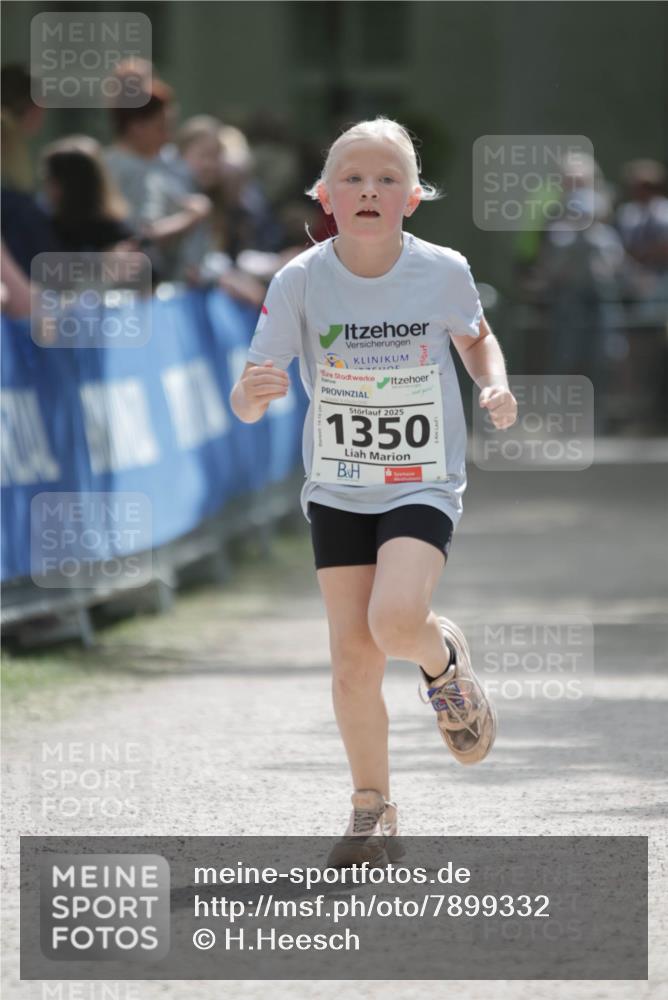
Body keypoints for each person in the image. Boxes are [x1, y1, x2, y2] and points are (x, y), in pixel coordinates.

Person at [229, 117, 517, 865]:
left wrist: (493, 384)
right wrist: (253, 395)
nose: (368, 190)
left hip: (421, 478)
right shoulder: (299, 279)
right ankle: (371, 807)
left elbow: (475, 334)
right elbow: (252, 387)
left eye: (387, 178)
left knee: (396, 623)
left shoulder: (443, 269)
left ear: (413, 198)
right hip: (337, 486)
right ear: (325, 195)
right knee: (353, 661)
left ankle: (442, 660)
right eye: (352, 178)